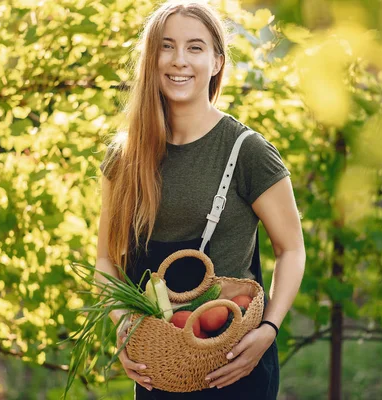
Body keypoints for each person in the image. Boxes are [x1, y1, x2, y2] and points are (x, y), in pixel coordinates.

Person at [96, 1, 306, 399]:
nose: (179, 61)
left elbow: (291, 248)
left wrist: (269, 329)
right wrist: (124, 328)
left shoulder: (247, 152)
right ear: (151, 58)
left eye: (195, 48)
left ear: (216, 62)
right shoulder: (124, 158)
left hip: (234, 367)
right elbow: (107, 260)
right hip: (161, 369)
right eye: (167, 46)